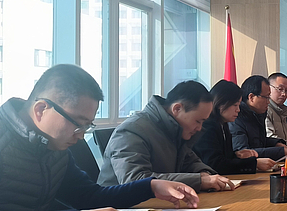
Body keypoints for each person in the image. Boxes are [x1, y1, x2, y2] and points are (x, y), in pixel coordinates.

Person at [0, 64, 199, 211]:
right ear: (41, 109)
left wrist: (150, 186)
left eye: (87, 126)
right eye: (77, 124)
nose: (81, 135)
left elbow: (89, 197)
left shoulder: (50, 144)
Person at [98, 81, 233, 191]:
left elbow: (190, 162)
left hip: (158, 205)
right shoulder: (132, 130)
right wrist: (199, 181)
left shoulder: (175, 129)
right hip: (123, 210)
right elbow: (135, 180)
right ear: (177, 109)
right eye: (198, 121)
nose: (199, 128)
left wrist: (205, 174)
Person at [193, 79, 277, 174]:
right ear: (221, 103)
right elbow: (215, 164)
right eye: (235, 105)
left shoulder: (223, 124)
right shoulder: (207, 126)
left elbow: (224, 158)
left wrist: (237, 155)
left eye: (239, 105)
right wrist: (254, 163)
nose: (238, 110)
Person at [230, 75, 287, 160]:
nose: (268, 102)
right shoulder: (236, 117)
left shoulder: (258, 114)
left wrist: (276, 144)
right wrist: (279, 152)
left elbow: (258, 142)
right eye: (266, 97)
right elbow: (242, 153)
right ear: (251, 97)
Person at [265, 72, 287, 151]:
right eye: (280, 89)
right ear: (268, 88)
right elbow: (271, 138)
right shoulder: (265, 109)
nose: (284, 94)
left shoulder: (281, 111)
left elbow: (285, 138)